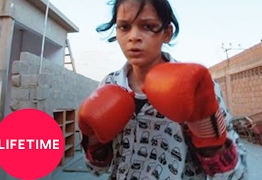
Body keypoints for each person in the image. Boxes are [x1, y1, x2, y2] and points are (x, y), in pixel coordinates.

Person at [78, 0, 248, 179]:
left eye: (148, 26)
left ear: (167, 33)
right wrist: (93, 140)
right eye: (124, 27)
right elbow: (96, 170)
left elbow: (236, 175)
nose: (134, 36)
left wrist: (208, 136)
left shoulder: (197, 85)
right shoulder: (109, 84)